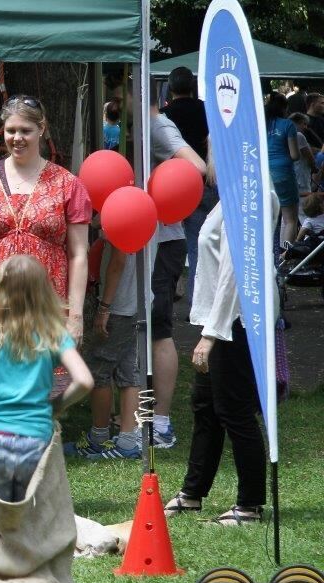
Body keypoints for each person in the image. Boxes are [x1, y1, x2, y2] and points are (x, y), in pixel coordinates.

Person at [165, 177, 280, 526]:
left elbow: (237, 272)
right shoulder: (234, 191)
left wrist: (212, 334)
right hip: (222, 318)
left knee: (234, 412)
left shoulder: (253, 193)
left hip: (236, 322)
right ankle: (192, 493)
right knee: (207, 409)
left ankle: (249, 506)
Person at [0, 95, 92, 357]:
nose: (17, 138)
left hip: (46, 305)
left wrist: (76, 316)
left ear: (42, 129)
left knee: (41, 388)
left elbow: (79, 254)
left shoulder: (67, 184)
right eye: (10, 130)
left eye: (25, 131)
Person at [0, 255, 93, 501]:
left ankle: (2, 534)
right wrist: (58, 404)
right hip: (35, 431)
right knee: (29, 501)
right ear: (45, 290)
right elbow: (84, 381)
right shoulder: (54, 334)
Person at [142, 88, 207, 448]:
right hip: (153, 239)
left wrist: (165, 196)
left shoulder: (158, 127)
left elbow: (197, 168)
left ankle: (162, 424)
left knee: (159, 329)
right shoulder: (153, 125)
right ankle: (147, 417)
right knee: (150, 327)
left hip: (164, 242)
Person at [64, 236, 141, 460]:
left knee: (98, 369)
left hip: (120, 304)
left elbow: (118, 261)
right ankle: (127, 440)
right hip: (137, 302)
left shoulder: (127, 209)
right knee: (129, 372)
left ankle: (99, 439)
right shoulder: (146, 209)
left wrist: (104, 307)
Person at [162, 66, 215, 303]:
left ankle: (169, 291)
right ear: (192, 86)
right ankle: (198, 300)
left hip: (169, 188)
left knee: (168, 243)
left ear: (170, 87)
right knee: (198, 244)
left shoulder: (163, 117)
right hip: (203, 183)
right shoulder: (207, 111)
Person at [265, 92, 301, 244]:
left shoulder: (259, 124)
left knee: (266, 218)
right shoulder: (287, 125)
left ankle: (266, 257)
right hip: (284, 173)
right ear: (284, 108)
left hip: (264, 174)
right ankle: (287, 258)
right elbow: (294, 155)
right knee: (290, 219)